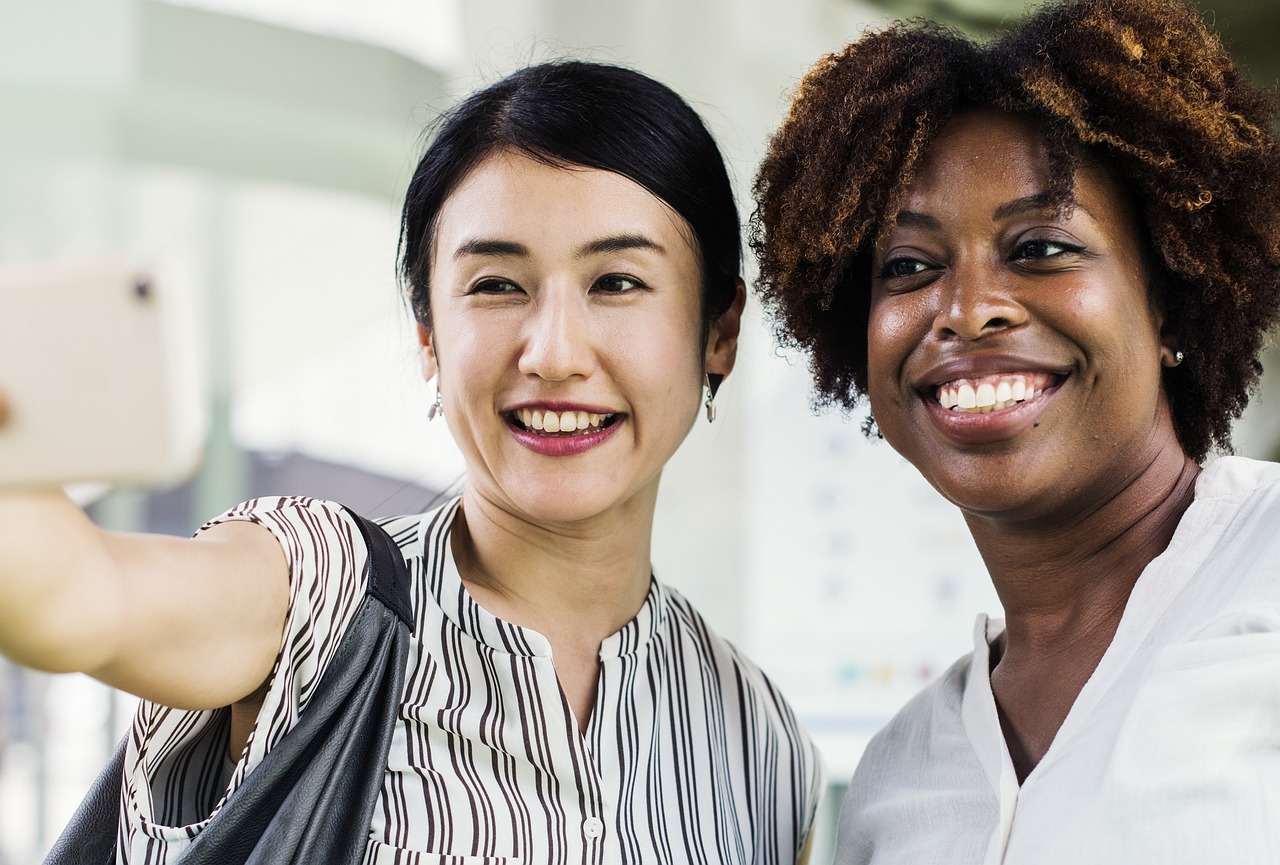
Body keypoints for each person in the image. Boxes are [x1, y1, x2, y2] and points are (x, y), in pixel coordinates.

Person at [0, 61, 823, 863]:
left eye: (615, 281)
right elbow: (77, 595)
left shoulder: (760, 739)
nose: (556, 353)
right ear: (428, 335)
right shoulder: (317, 599)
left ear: (719, 331)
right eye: (498, 284)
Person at [751, 0, 1280, 862]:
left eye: (1039, 248)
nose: (965, 312)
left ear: (1170, 302)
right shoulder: (895, 781)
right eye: (910, 267)